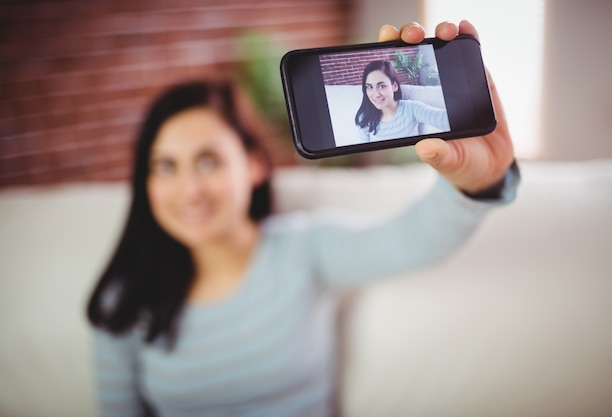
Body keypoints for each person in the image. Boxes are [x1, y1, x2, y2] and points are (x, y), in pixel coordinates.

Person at [86, 20, 519, 417]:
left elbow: (414, 240)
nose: (188, 190)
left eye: (208, 161)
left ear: (255, 165)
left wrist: (475, 181)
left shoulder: (303, 249)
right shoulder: (122, 303)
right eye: (165, 166)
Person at [355, 60, 450, 143]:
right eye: (369, 87)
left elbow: (445, 119)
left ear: (394, 86)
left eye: (381, 86)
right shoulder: (364, 118)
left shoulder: (411, 109)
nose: (376, 94)